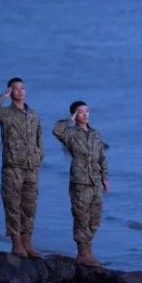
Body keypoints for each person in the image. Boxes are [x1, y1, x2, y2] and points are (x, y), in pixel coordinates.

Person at [0, 77, 44, 258]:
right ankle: (16, 243)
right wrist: (2, 96)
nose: (20, 92)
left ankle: (28, 243)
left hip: (31, 167)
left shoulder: (34, 114)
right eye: (16, 89)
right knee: (13, 205)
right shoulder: (6, 114)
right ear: (10, 92)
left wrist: (39, 159)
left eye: (22, 88)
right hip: (13, 167)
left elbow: (39, 139)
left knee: (30, 206)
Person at [52, 101, 109, 266]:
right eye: (80, 112)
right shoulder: (70, 133)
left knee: (95, 218)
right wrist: (70, 119)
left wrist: (105, 178)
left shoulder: (95, 133)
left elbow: (101, 157)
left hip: (95, 181)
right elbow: (56, 130)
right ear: (75, 115)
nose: (85, 114)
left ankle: (87, 251)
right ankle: (83, 253)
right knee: (81, 216)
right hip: (80, 181)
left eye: (86, 111)